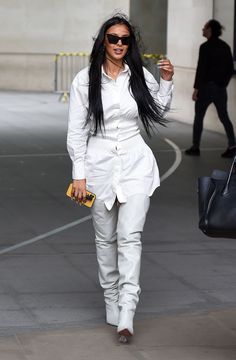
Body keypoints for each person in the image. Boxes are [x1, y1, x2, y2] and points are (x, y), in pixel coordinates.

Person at [67, 14, 174, 343]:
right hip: (98, 169)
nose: (118, 44)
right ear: (103, 41)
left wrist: (167, 80)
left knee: (130, 237)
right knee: (105, 239)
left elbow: (159, 108)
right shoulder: (85, 81)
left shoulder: (140, 76)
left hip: (136, 166)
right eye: (112, 38)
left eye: (124, 39)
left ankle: (127, 309)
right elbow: (76, 133)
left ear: (130, 45)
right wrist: (79, 176)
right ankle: (111, 300)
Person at [185, 19, 236, 158]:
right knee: (224, 117)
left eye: (204, 28)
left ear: (210, 30)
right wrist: (222, 84)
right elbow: (231, 69)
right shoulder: (225, 46)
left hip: (206, 88)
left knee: (199, 117)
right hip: (220, 89)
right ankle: (232, 146)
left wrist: (196, 89)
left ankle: (196, 147)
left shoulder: (205, 47)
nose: (202, 30)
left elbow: (201, 70)